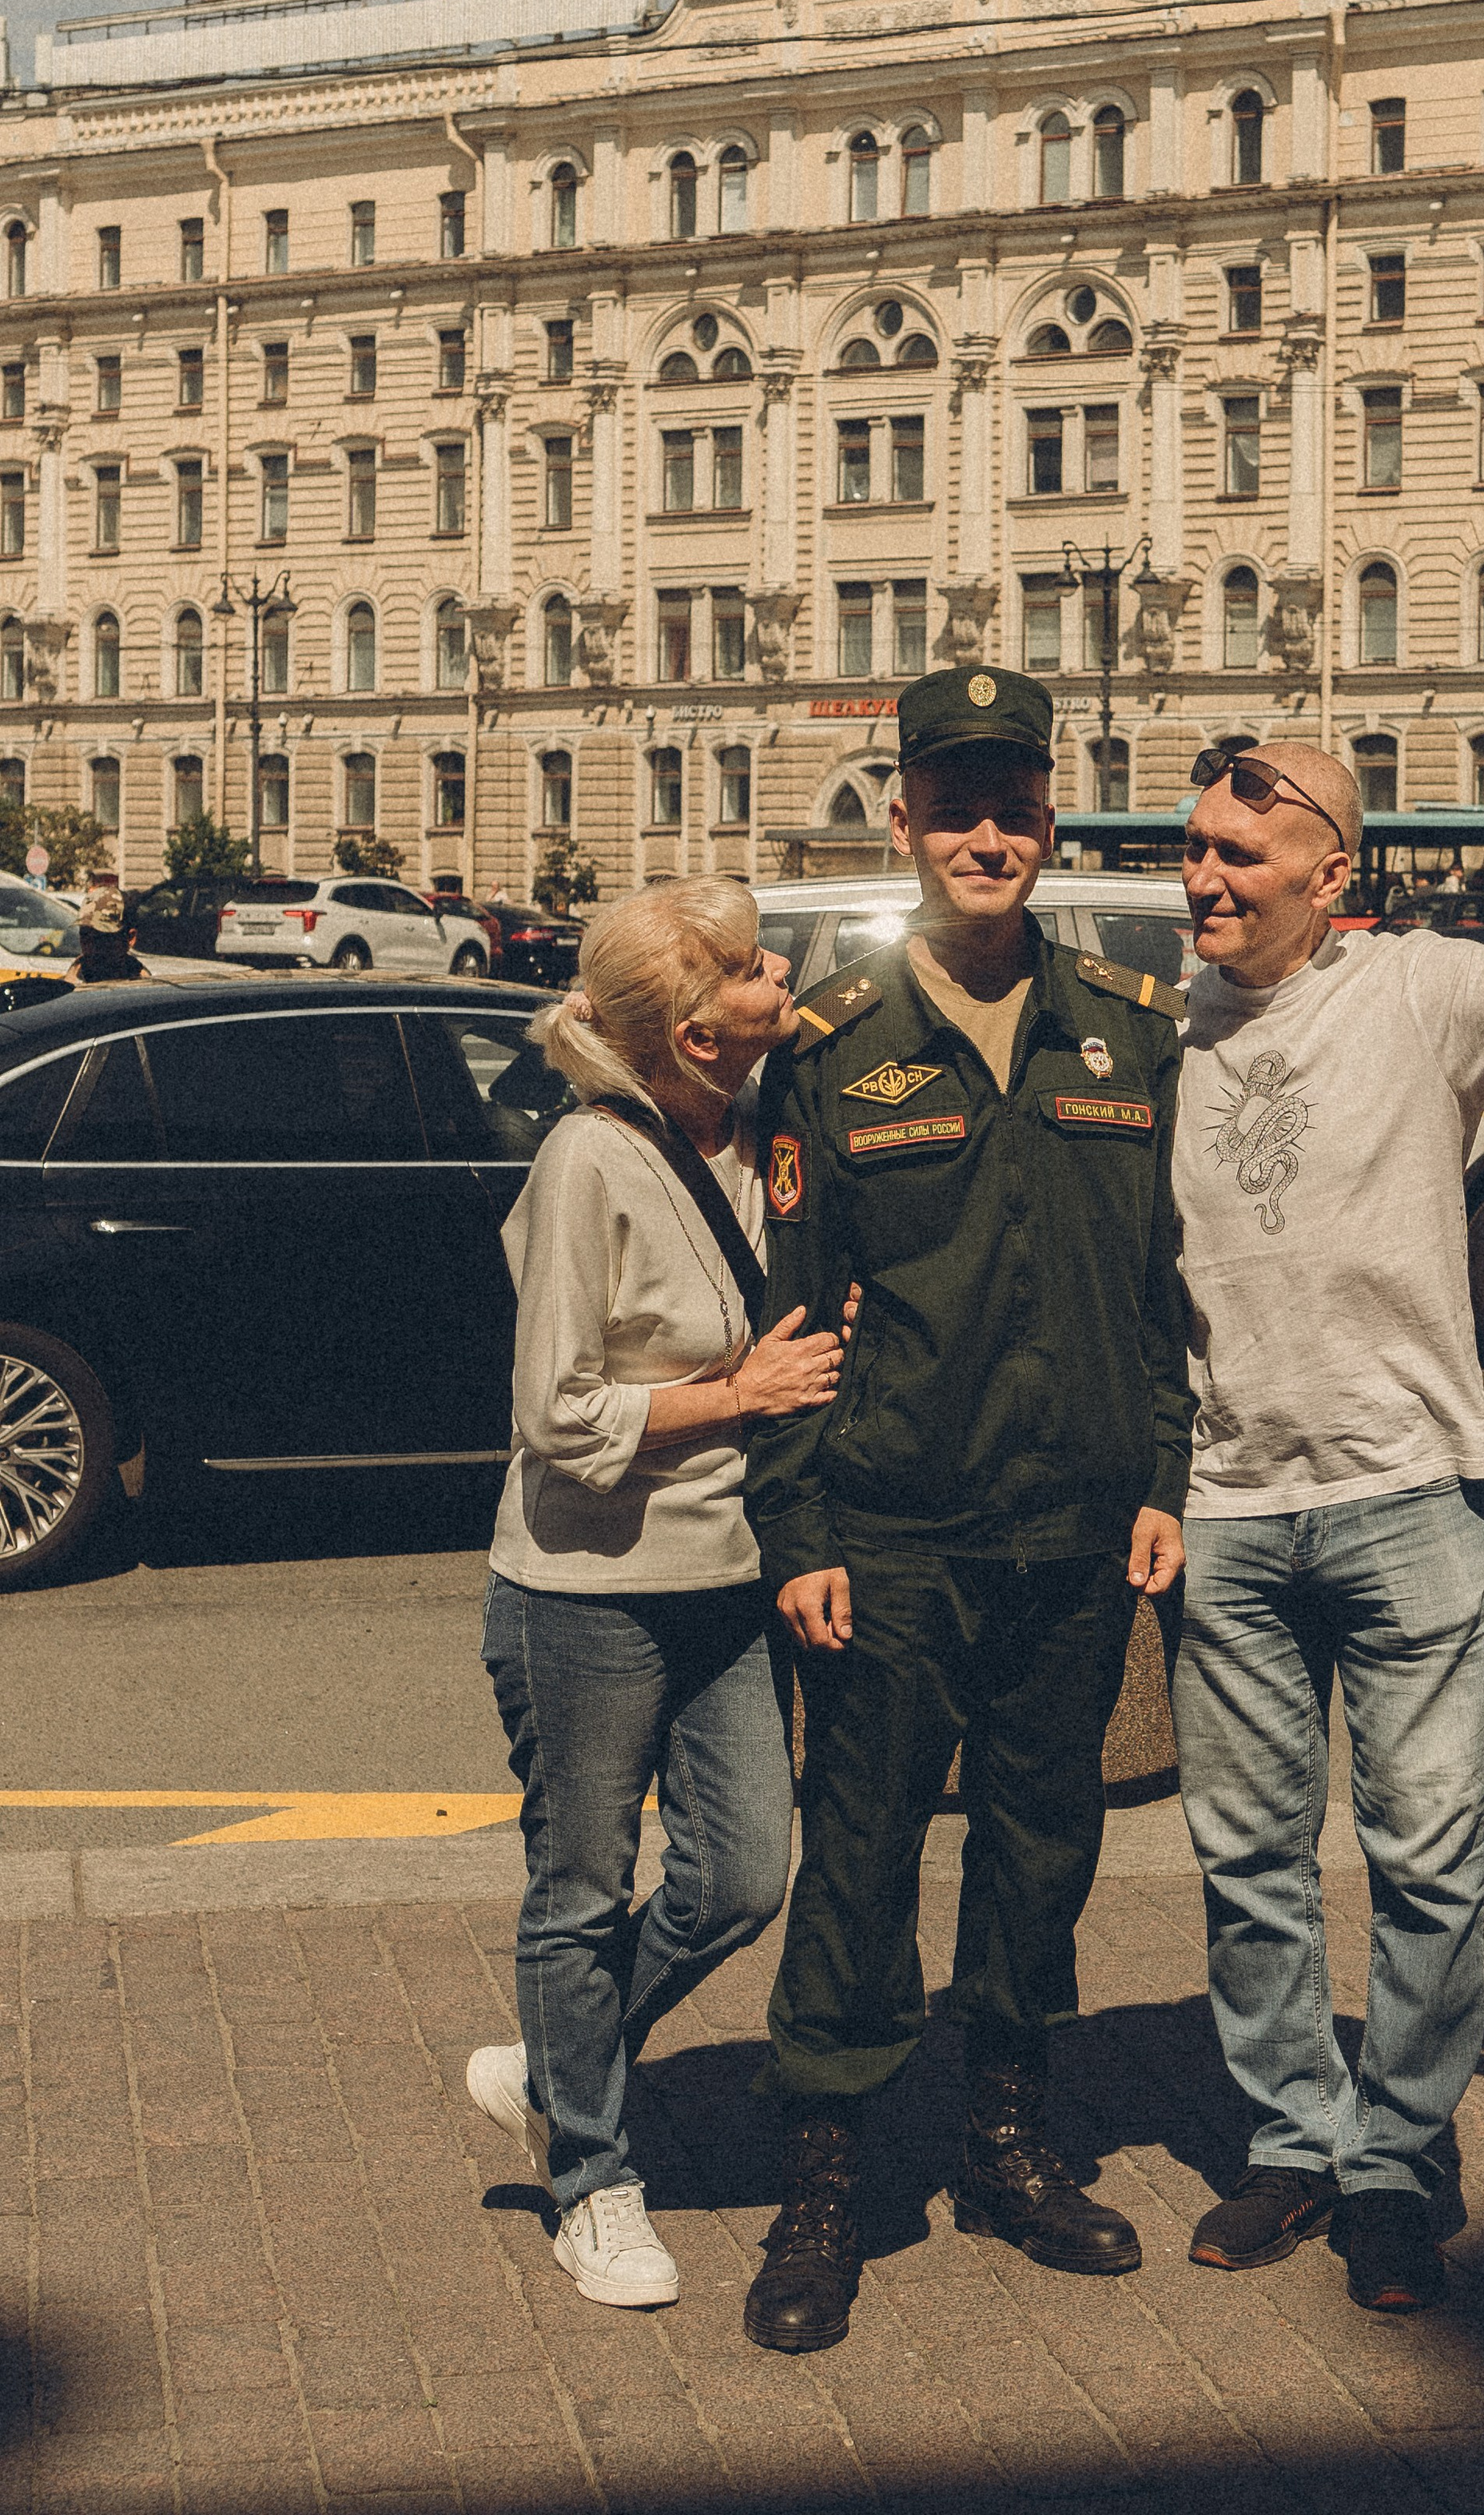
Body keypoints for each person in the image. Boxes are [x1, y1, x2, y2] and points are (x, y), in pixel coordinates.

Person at [1168, 706, 1484, 2314]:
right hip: (1229, 1506)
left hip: (1408, 1494)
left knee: (1425, 1861)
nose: (1200, 879)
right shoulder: (1157, 1022)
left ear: (1329, 873)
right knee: (1248, 1856)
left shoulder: (1421, 984)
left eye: (1233, 855)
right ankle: (1287, 2138)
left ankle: (1396, 2155)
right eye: (1192, 848)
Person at [739, 663, 1192, 2357]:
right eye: (955, 802)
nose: (985, 833)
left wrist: (1160, 1477)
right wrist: (799, 1535)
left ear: (1048, 819)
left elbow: (1155, 1292)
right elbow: (792, 1314)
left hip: (1072, 1533)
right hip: (893, 1535)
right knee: (855, 1862)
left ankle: (1007, 2141)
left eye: (1013, 803)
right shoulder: (834, 1050)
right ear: (906, 818)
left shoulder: (1124, 1029)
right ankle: (826, 2183)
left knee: (1038, 1854)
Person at [465, 878, 845, 2308]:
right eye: (752, 971)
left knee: (745, 1873)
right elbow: (557, 1414)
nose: (781, 977)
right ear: (693, 1032)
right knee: (578, 1887)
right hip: (584, 1588)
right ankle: (592, 2183)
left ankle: (558, 2069)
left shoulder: (765, 1138)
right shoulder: (588, 1161)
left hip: (726, 1573)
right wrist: (736, 1394)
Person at [70, 885, 143, 983]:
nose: (91, 947)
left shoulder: (146, 990)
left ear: (130, 939)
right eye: (85, 936)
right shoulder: (67, 987)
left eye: (102, 938)